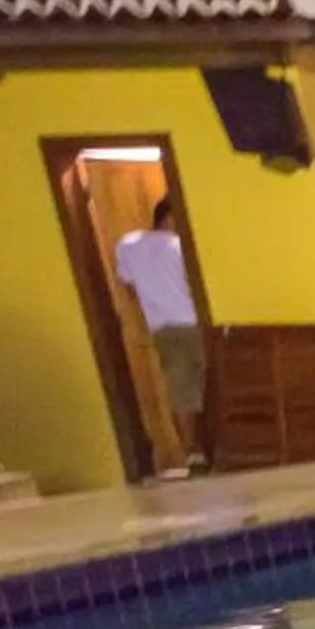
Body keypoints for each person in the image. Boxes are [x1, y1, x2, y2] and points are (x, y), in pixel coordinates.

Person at [114, 199, 203, 467]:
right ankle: (203, 451)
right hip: (193, 323)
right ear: (170, 217)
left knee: (181, 393)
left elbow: (129, 288)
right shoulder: (179, 247)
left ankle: (192, 455)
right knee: (204, 390)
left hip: (161, 327)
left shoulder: (128, 244)